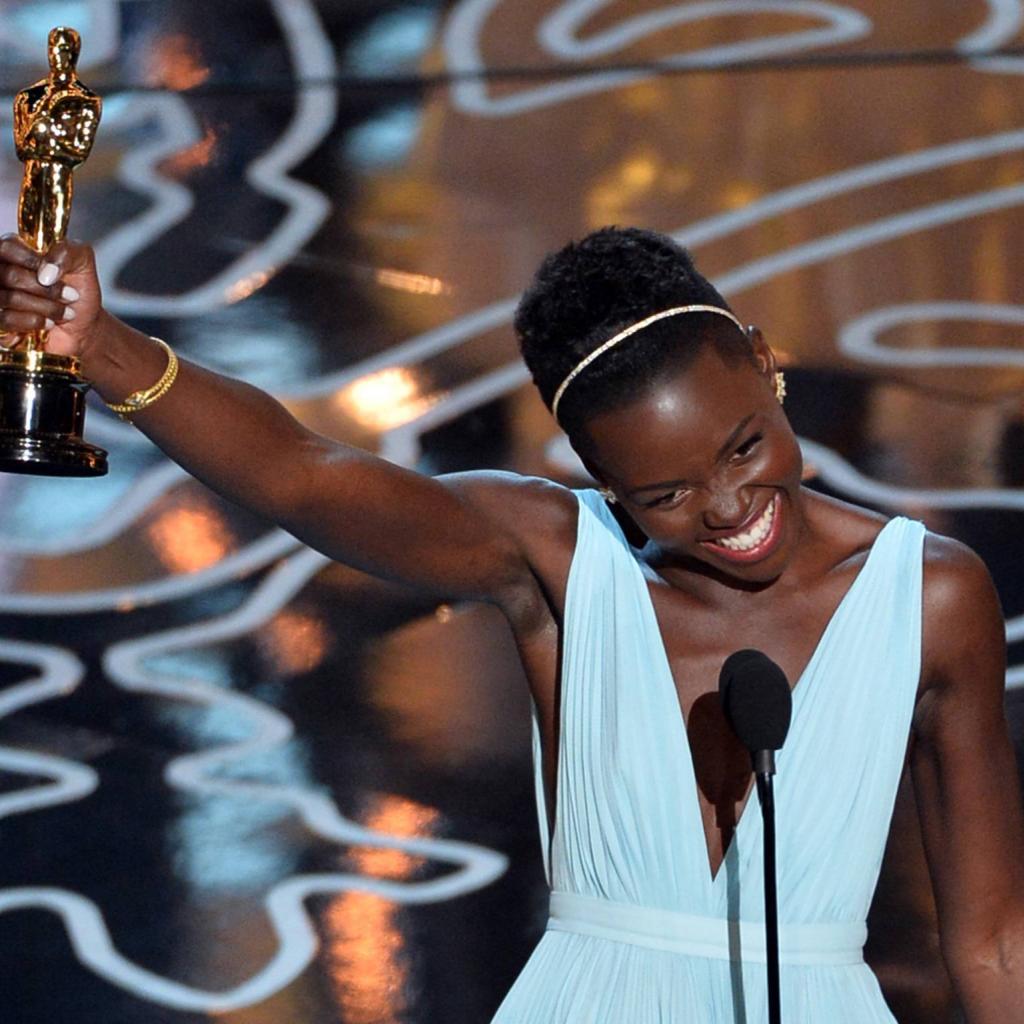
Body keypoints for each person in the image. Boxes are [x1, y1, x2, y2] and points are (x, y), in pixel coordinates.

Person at [0, 226, 1022, 1021]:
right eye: (664, 493)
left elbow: (992, 943)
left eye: (744, 447)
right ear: (598, 474)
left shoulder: (929, 597)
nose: (725, 507)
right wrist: (104, 348)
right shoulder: (559, 559)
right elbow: (306, 477)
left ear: (762, 362)